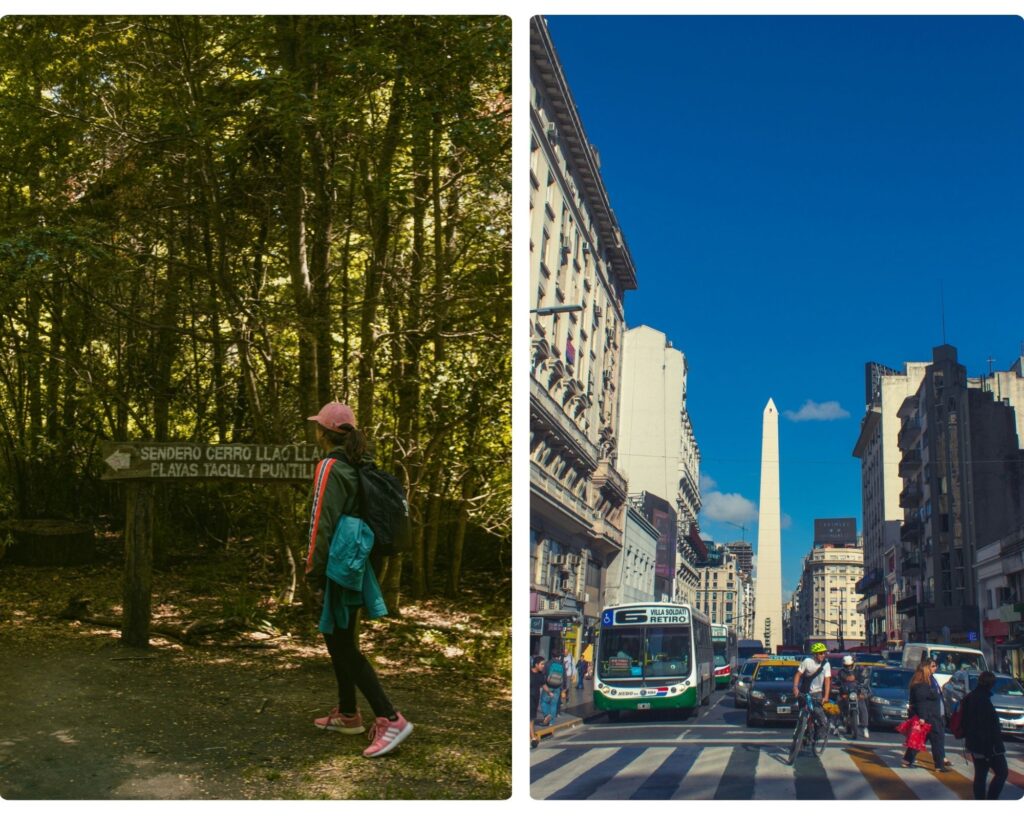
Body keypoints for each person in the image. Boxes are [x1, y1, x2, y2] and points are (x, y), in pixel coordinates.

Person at [306, 402, 413, 758]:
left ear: (324, 433)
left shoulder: (330, 466)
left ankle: (389, 716)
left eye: (317, 427)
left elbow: (322, 520)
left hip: (339, 559)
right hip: (358, 557)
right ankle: (349, 713)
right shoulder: (358, 464)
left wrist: (313, 569)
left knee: (340, 642)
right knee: (338, 634)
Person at [960, 670, 1008, 799]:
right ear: (991, 684)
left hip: (976, 744)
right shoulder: (982, 700)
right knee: (1002, 772)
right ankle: (990, 799)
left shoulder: (972, 697)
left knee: (981, 776)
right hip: (989, 747)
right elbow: (983, 726)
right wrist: (987, 750)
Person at [902, 659, 949, 771]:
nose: (935, 667)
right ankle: (939, 765)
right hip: (930, 717)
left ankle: (907, 760)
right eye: (933, 666)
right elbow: (921, 702)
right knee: (936, 741)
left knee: (920, 739)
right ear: (926, 668)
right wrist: (922, 717)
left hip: (934, 715)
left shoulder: (931, 680)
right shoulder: (922, 683)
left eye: (936, 665)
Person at [792, 643, 831, 741]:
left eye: (824, 653)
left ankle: (817, 734)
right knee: (802, 713)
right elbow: (798, 675)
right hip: (804, 691)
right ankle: (802, 734)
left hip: (817, 693)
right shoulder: (807, 661)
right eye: (820, 653)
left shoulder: (826, 665)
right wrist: (795, 688)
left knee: (819, 714)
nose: (823, 655)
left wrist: (825, 696)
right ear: (815, 654)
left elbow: (827, 681)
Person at [837, 655, 869, 739]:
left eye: (850, 665)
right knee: (839, 704)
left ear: (853, 664)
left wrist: (862, 691)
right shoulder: (841, 672)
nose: (848, 667)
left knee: (862, 706)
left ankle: (865, 727)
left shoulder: (859, 670)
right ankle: (839, 722)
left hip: (857, 692)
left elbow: (863, 680)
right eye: (846, 666)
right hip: (846, 693)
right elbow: (843, 679)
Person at [530, 656, 547, 748]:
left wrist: (549, 692)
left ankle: (532, 738)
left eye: (543, 664)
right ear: (536, 664)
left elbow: (543, 684)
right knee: (530, 719)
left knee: (531, 718)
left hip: (534, 699)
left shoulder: (541, 675)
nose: (543, 666)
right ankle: (533, 738)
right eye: (542, 664)